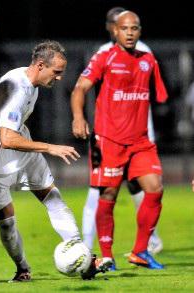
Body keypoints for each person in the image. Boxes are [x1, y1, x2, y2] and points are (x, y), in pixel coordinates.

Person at [0, 41, 104, 282]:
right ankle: (22, 269)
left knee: (52, 196)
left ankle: (82, 255)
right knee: (7, 223)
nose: (60, 78)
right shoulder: (18, 88)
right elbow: (7, 139)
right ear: (40, 65)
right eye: (57, 72)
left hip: (18, 138)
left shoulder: (31, 81)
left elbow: (11, 134)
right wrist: (50, 147)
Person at [71, 11, 168, 270]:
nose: (130, 32)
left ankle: (140, 251)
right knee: (108, 193)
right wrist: (78, 118)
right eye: (125, 28)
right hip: (109, 140)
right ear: (115, 31)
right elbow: (80, 88)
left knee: (155, 188)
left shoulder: (148, 60)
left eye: (134, 28)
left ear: (139, 31)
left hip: (140, 142)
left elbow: (160, 98)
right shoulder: (105, 57)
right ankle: (106, 254)